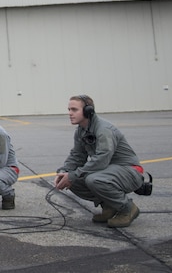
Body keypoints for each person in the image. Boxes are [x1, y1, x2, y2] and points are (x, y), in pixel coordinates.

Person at [54, 94, 145, 228]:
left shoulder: (104, 130)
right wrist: (64, 172)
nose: (70, 113)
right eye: (69, 109)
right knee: (73, 180)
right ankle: (109, 206)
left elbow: (102, 159)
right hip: (108, 171)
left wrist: (72, 175)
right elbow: (77, 156)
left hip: (129, 171)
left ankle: (128, 209)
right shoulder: (81, 130)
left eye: (74, 110)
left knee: (93, 179)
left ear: (88, 111)